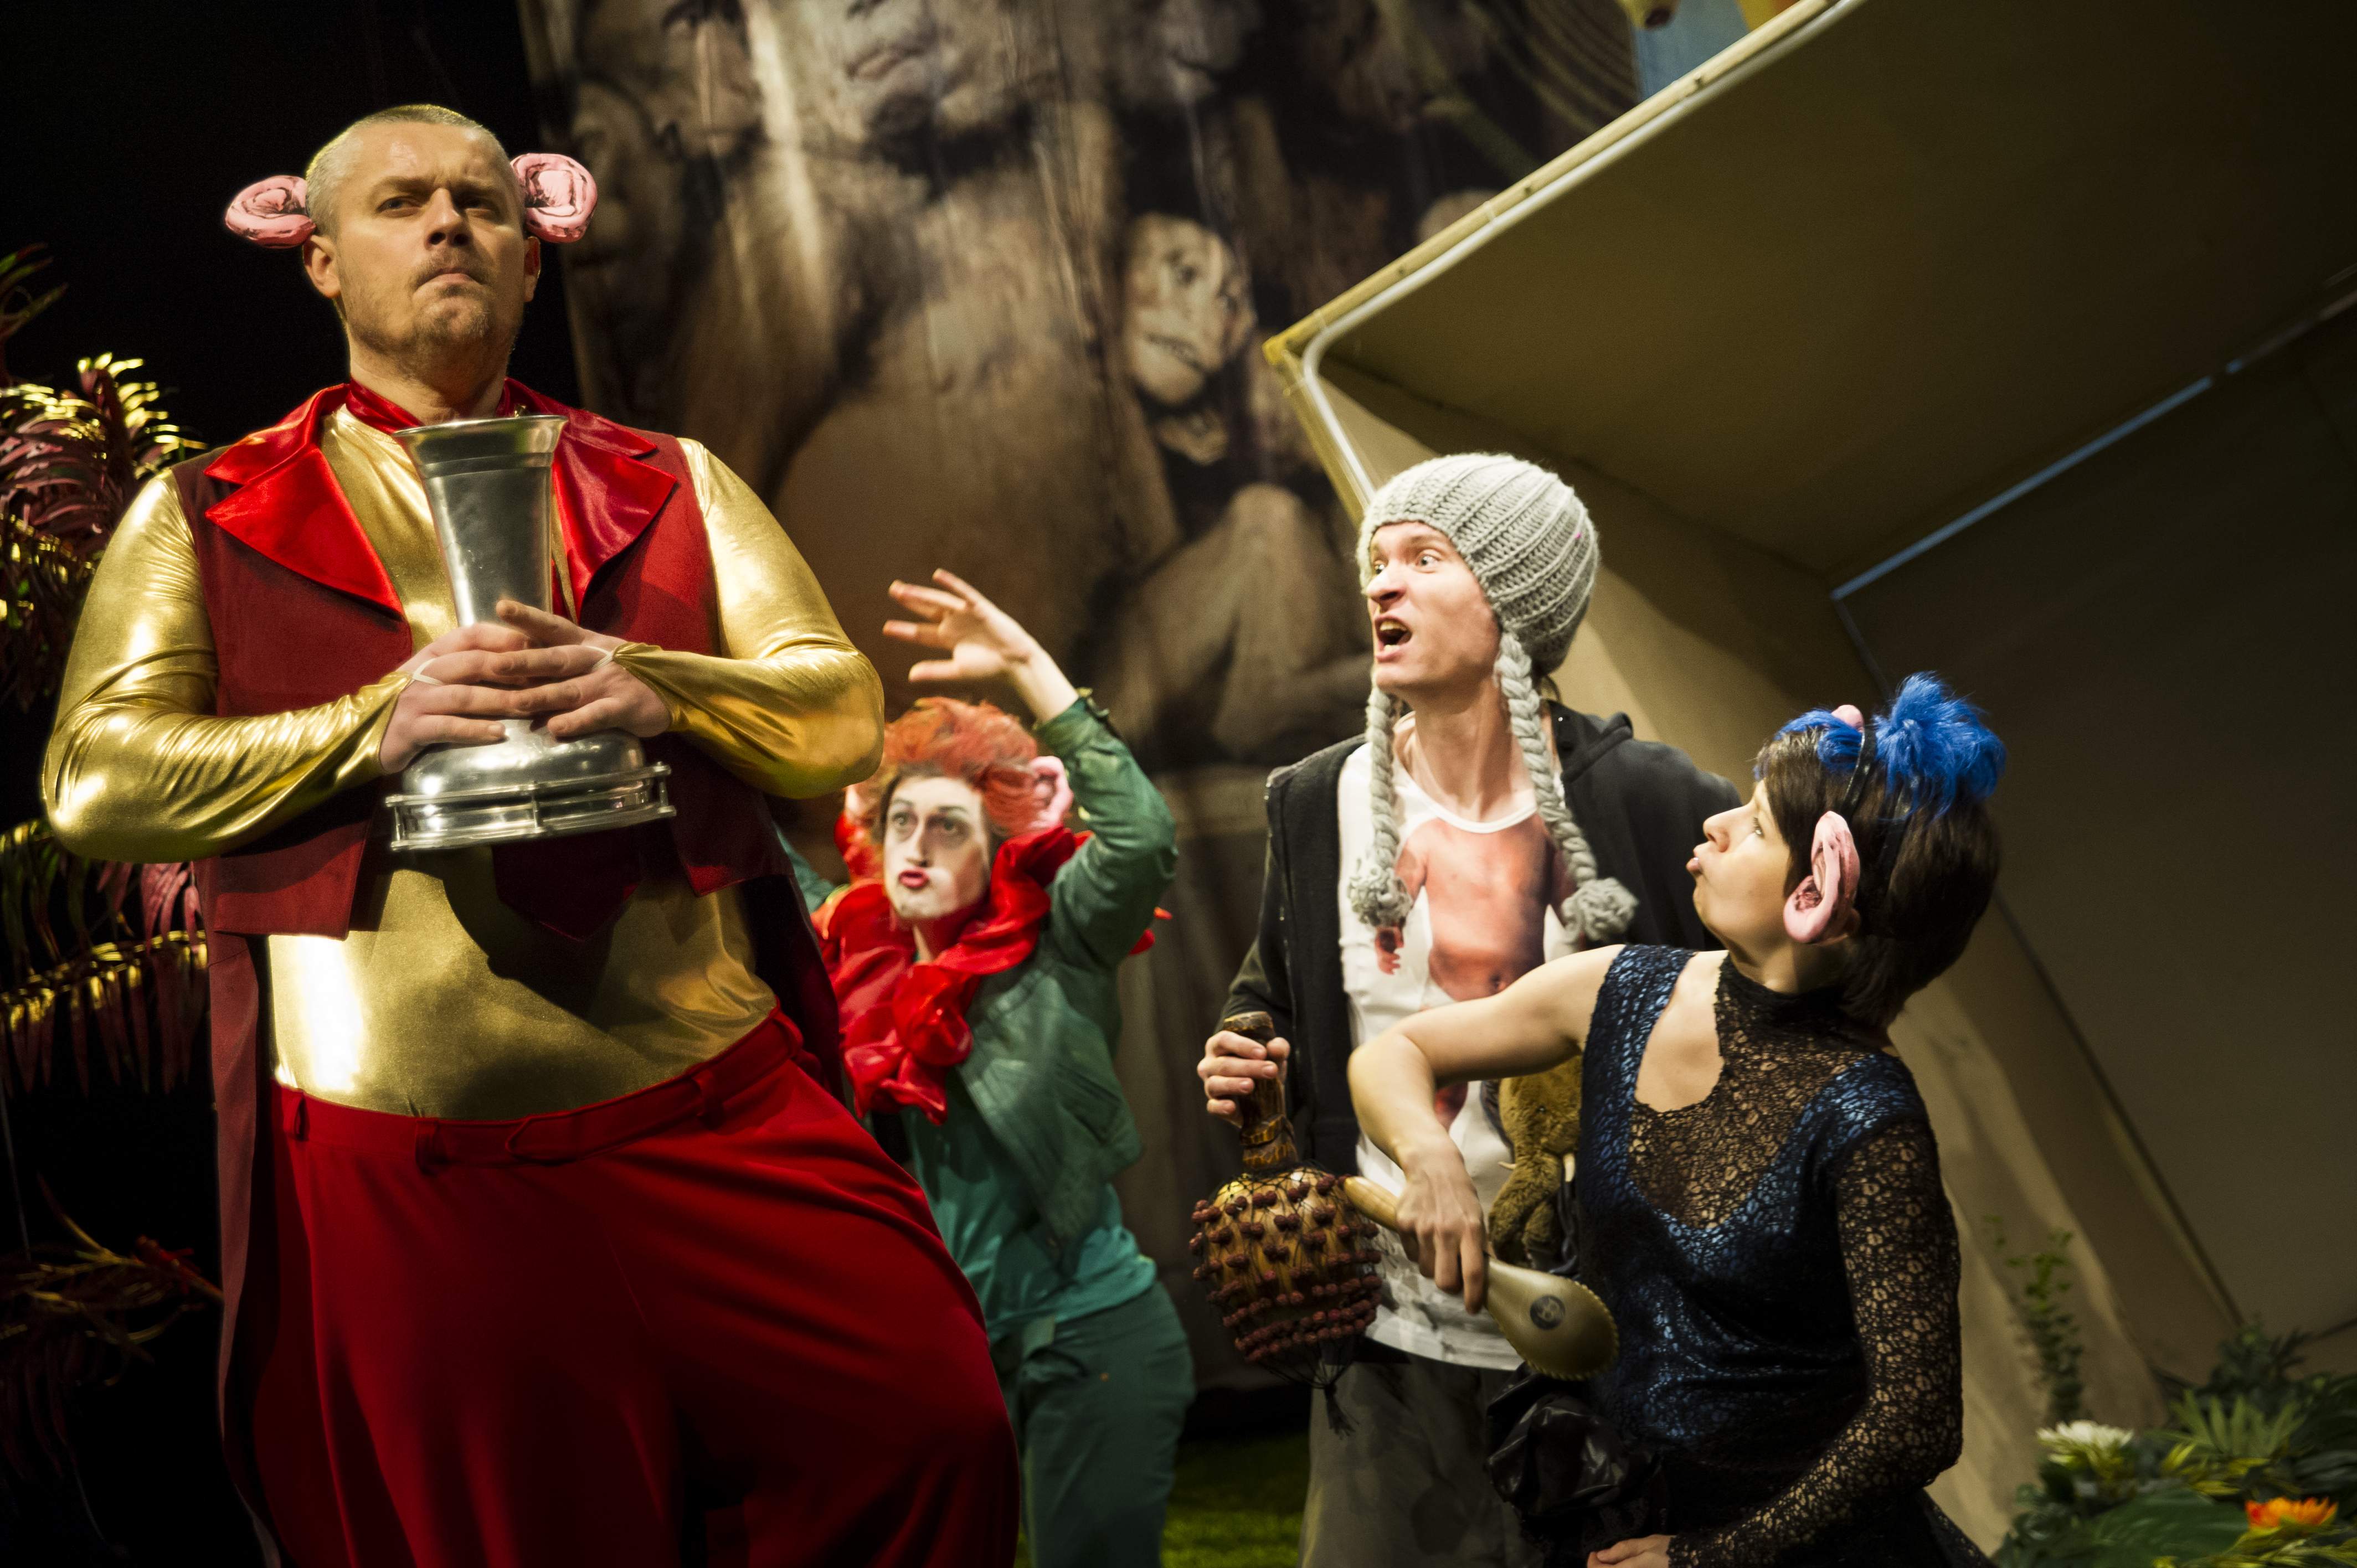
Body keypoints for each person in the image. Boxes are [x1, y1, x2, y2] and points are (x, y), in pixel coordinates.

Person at [43, 104, 1015, 1566]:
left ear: (532, 257)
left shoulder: (671, 476)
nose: (449, 222)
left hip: (718, 1121)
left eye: (482, 202)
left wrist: (664, 684)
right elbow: (92, 779)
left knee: (934, 1435)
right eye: (401, 202)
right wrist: (370, 726)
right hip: (416, 1179)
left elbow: (836, 712)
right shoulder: (206, 509)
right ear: (319, 259)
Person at [1196, 452, 1739, 1567]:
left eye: (1424, 558)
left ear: (1515, 600)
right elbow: (1273, 992)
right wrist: (1249, 1051)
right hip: (1387, 1341)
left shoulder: (1653, 800)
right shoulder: (1316, 800)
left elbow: (1755, 1042)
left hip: (1605, 1349)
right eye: (1376, 561)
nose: (1380, 585)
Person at [1349, 675, 2006, 1567]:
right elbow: (1395, 1054)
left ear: (1820, 896)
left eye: (1759, 828)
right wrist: (1430, 1158)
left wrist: (1707, 1558)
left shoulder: (1870, 1122)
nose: (1717, 826)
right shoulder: (1622, 989)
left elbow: (1916, 1422)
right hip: (1619, 1518)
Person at [804, 570, 1191, 1568]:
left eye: (949, 826)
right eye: (901, 822)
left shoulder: (1060, 949)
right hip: (944, 1365)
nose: (918, 846)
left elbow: (1141, 837)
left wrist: (1025, 664)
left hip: (1087, 1344)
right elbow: (744, 848)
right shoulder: (850, 961)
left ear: (999, 848)